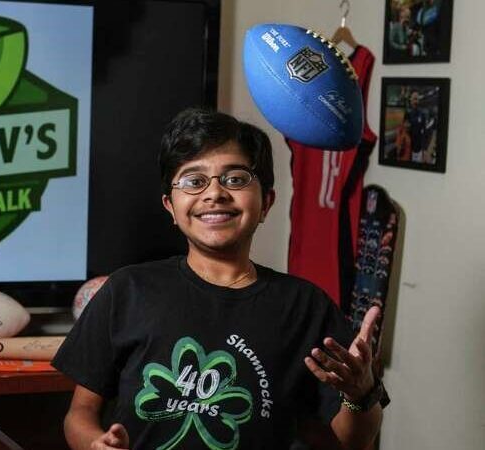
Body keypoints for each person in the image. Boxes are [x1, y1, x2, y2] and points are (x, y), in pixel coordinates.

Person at [52, 109, 386, 449]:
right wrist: (95, 443)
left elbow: (355, 439)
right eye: (194, 181)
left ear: (266, 202)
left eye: (236, 178)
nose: (214, 193)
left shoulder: (305, 307)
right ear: (170, 204)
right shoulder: (127, 290)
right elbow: (79, 414)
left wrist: (360, 394)